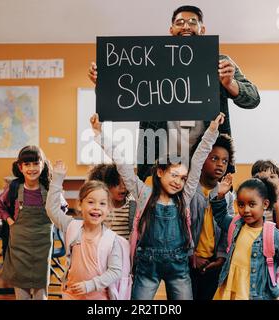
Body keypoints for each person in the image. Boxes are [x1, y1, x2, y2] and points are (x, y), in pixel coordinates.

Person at [88, 5, 260, 181]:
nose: (186, 26)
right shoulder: (153, 61)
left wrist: (230, 83)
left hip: (208, 160)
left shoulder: (219, 62)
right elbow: (124, 95)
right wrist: (103, 83)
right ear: (171, 30)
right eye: (180, 22)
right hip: (159, 160)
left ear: (202, 30)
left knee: (209, 207)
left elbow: (254, 98)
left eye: (193, 22)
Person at [91, 111, 225, 300]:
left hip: (179, 266)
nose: (178, 182)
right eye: (174, 175)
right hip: (147, 266)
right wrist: (100, 134)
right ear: (160, 172)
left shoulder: (184, 197)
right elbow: (122, 163)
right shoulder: (143, 194)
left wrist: (211, 131)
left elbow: (198, 161)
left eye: (183, 178)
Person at [210, 174, 279, 300]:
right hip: (230, 287)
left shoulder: (272, 234)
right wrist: (220, 196)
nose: (245, 210)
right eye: (241, 204)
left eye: (252, 204)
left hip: (254, 293)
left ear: (265, 204)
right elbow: (220, 216)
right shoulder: (236, 224)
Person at [46, 160, 123, 300]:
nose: (96, 207)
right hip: (71, 294)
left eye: (102, 203)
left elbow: (115, 271)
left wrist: (90, 285)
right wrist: (57, 179)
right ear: (80, 205)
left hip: (98, 297)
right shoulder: (72, 226)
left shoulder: (112, 240)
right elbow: (52, 209)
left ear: (108, 208)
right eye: (91, 202)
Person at [0, 145, 53, 300]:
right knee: (22, 294)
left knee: (41, 295)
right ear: (20, 167)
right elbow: (0, 206)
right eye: (27, 164)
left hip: (42, 248)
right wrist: (10, 222)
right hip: (19, 248)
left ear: (43, 165)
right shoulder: (13, 188)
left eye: (36, 163)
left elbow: (61, 209)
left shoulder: (49, 189)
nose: (32, 168)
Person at [189, 133, 235, 300]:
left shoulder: (227, 196)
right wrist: (191, 256)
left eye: (224, 161)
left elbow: (227, 230)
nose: (220, 165)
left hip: (213, 264)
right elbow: (180, 227)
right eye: (214, 158)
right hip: (187, 263)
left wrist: (222, 256)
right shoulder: (188, 191)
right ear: (201, 159)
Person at [88, 164, 136, 239]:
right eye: (116, 184)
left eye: (125, 183)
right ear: (106, 185)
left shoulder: (133, 208)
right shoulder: (101, 208)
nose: (122, 187)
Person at [251, 160, 279, 234]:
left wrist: (276, 196)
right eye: (263, 178)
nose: (268, 181)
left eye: (272, 177)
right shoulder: (252, 202)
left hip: (277, 244)